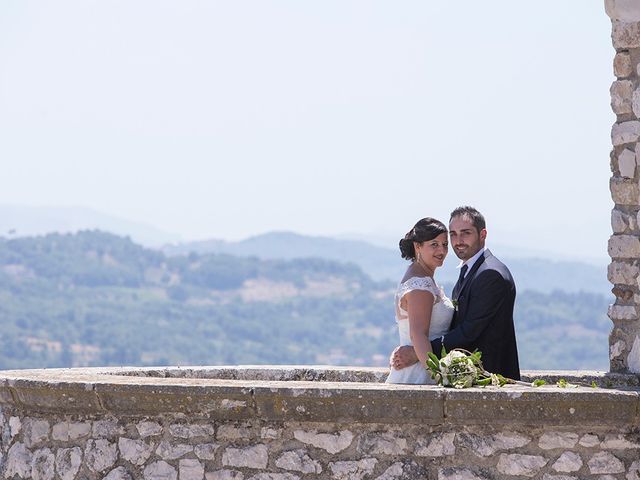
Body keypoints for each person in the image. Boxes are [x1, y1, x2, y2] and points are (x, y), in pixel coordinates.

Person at [391, 206, 521, 380]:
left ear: (483, 235)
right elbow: (421, 332)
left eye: (465, 233)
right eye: (453, 234)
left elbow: (469, 331)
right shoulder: (467, 271)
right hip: (429, 372)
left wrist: (416, 353)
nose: (457, 241)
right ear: (418, 247)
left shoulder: (490, 274)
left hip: (490, 376)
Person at [385, 218, 454, 384]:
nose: (442, 250)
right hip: (419, 375)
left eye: (445, 244)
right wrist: (439, 378)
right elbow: (418, 335)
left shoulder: (419, 277)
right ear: (418, 246)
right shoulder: (420, 286)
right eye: (434, 244)